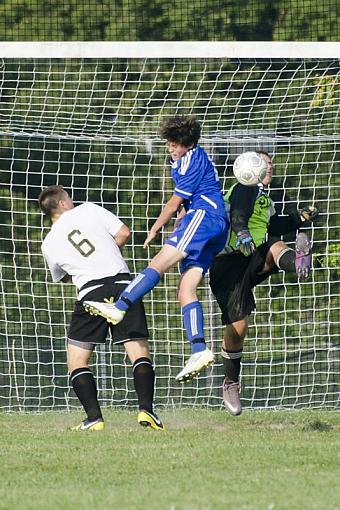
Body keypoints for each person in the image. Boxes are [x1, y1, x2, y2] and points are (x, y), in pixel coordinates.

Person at [84, 115, 229, 382]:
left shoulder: (187, 162)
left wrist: (155, 228)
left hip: (205, 218)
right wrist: (178, 224)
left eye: (174, 144)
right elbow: (185, 204)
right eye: (169, 144)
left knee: (157, 264)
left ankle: (120, 305)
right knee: (185, 288)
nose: (170, 149)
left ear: (186, 144)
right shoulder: (192, 158)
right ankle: (199, 349)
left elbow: (175, 203)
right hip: (212, 226)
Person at [38, 185, 164, 431]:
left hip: (90, 293)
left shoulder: (49, 242)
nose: (73, 202)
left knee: (77, 361)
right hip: (124, 288)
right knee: (138, 353)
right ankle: (147, 411)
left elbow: (61, 276)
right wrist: (108, 253)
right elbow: (124, 233)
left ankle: (94, 418)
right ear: (62, 204)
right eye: (69, 199)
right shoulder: (90, 209)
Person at [209, 150, 319, 416]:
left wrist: (298, 219)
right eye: (264, 164)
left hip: (252, 257)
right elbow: (237, 215)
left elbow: (271, 226)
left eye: (271, 164)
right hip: (228, 265)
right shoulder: (243, 190)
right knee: (238, 328)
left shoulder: (263, 200)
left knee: (274, 245)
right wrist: (243, 232)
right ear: (251, 168)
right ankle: (231, 381)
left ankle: (299, 263)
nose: (269, 167)